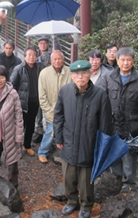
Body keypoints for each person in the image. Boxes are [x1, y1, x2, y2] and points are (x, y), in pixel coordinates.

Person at [53, 60, 113, 218]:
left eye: (84, 73)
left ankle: (86, 205)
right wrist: (58, 136)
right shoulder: (65, 91)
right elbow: (58, 116)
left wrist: (102, 148)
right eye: (77, 74)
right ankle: (72, 202)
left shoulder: (100, 95)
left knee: (87, 180)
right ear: (71, 75)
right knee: (69, 177)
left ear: (91, 73)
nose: (80, 77)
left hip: (89, 144)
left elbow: (106, 125)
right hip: (69, 142)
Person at [99, 47, 138, 184]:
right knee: (113, 157)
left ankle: (129, 184)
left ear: (133, 61)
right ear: (117, 61)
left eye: (128, 60)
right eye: (122, 60)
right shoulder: (108, 77)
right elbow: (100, 101)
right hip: (112, 126)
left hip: (132, 126)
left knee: (129, 159)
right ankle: (116, 183)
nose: (125, 63)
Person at [37, 50, 72, 164]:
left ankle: (64, 153)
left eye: (59, 58)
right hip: (51, 109)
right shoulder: (44, 73)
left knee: (66, 131)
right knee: (51, 131)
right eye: (55, 59)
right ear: (51, 60)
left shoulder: (69, 71)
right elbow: (41, 95)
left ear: (63, 59)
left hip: (67, 109)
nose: (57, 61)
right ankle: (42, 152)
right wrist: (47, 109)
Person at [10, 47, 44, 156]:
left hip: (35, 102)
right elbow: (12, 85)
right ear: (24, 57)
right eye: (29, 54)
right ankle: (17, 148)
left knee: (30, 125)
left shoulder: (40, 68)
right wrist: (15, 101)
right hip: (22, 103)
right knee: (20, 126)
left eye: (34, 55)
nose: (31, 57)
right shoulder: (19, 68)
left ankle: (27, 145)